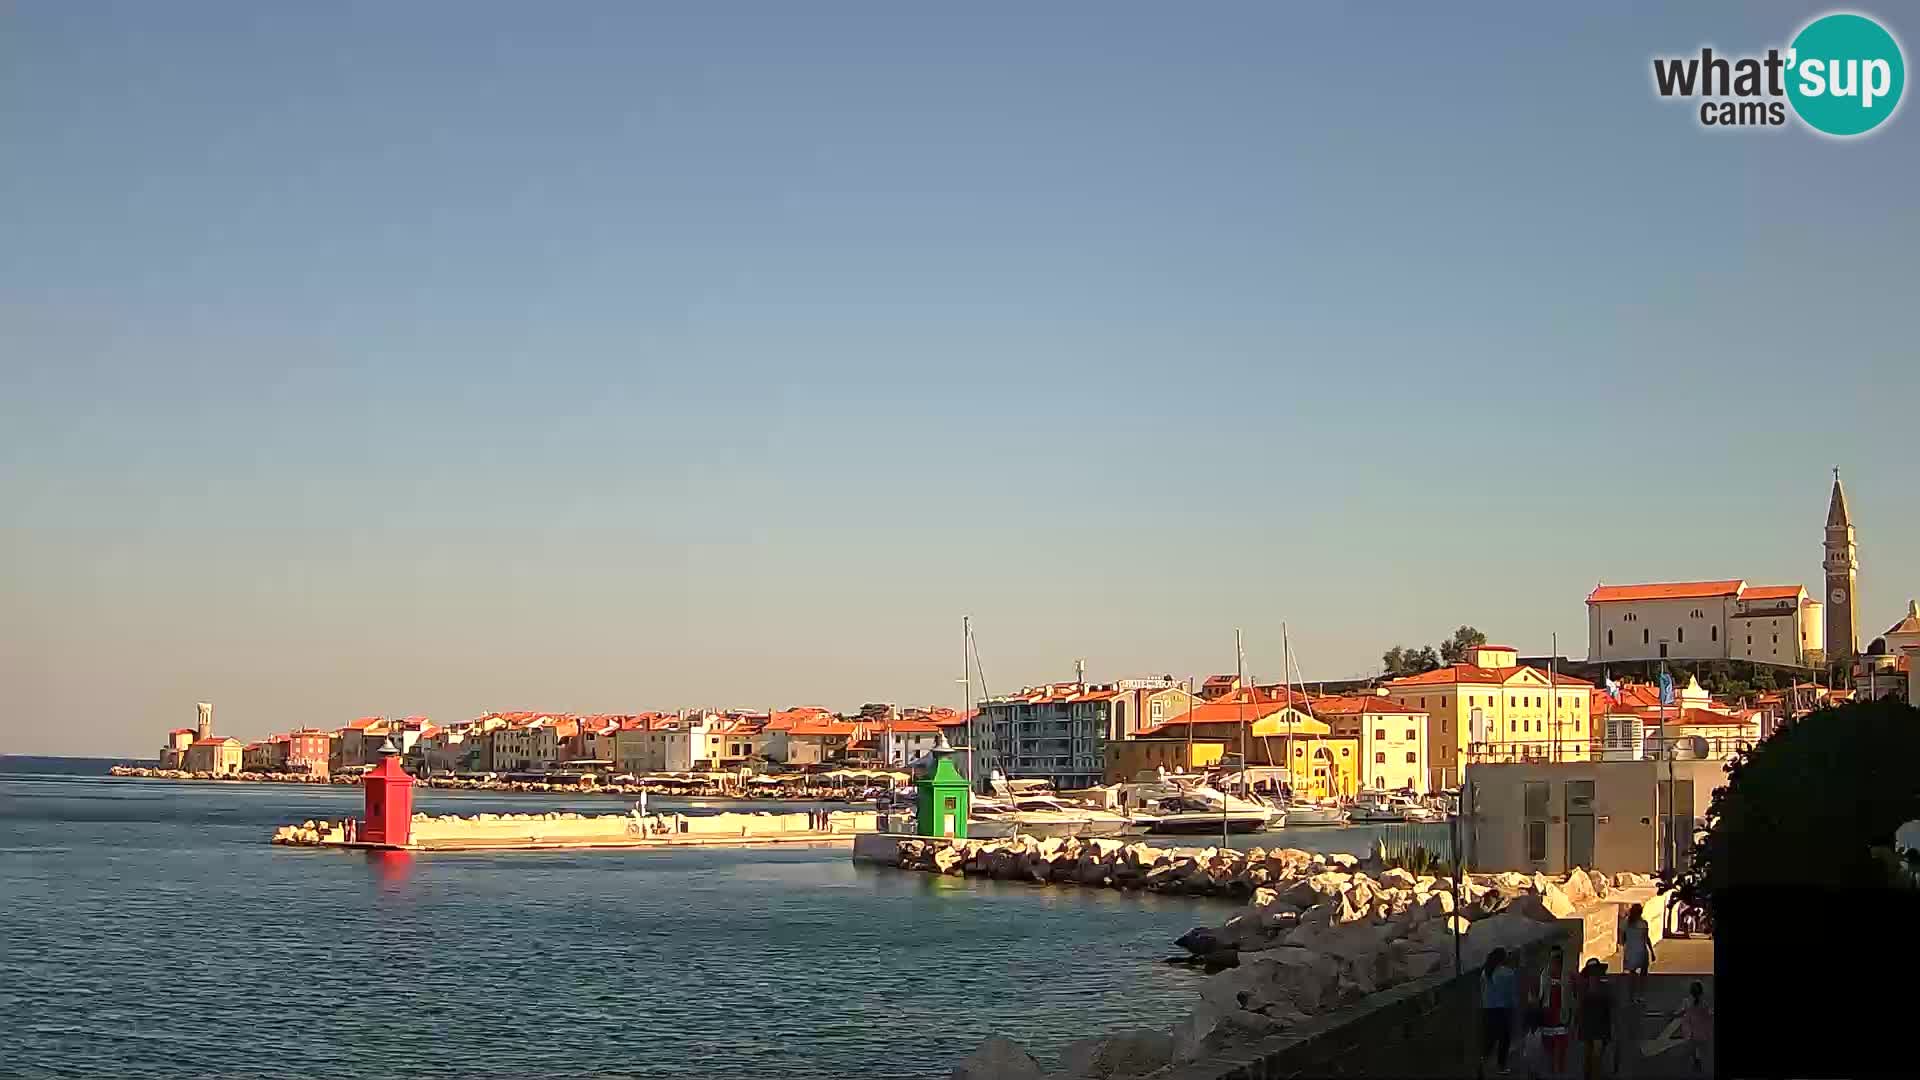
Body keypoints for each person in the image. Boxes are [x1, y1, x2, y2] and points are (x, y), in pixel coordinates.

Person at [1535, 945, 1573, 1074]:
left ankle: (1557, 1072)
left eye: (1558, 958)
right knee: (1548, 1048)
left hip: (1562, 1014)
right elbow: (1540, 995)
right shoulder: (1544, 974)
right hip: (1548, 1015)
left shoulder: (1567, 974)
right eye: (1553, 958)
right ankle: (1551, 1071)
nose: (1556, 961)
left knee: (1560, 1047)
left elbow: (1571, 996)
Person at [1481, 947, 1517, 1073]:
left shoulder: (1485, 973)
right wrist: (1514, 1008)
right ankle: (1501, 1066)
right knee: (1504, 1039)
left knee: (1489, 1039)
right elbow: (1511, 994)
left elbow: (1483, 991)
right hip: (1502, 1010)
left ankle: (1482, 1063)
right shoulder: (1508, 973)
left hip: (1488, 1010)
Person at [1577, 958, 1614, 1080]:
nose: (1594, 975)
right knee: (1589, 1056)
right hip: (1589, 1025)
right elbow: (1579, 1008)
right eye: (1592, 972)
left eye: (1596, 972)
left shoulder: (1605, 989)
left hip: (1600, 1026)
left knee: (1596, 1055)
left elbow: (1611, 1009)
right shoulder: (1584, 990)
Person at [1621, 903, 1655, 1003]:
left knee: (1632, 975)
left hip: (1631, 951)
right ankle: (1640, 995)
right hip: (1641, 950)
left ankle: (1631, 995)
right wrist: (1652, 952)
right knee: (1643, 975)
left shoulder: (1626, 923)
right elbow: (1646, 938)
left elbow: (1622, 939)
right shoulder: (1643, 923)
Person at [1682, 980, 1712, 1075]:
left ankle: (1695, 1060)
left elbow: (1682, 1012)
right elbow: (1707, 1015)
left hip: (1690, 1030)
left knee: (1692, 1048)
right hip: (1701, 1030)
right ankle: (1697, 1061)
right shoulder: (1704, 1004)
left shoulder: (1686, 1001)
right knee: (1698, 1047)